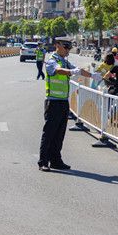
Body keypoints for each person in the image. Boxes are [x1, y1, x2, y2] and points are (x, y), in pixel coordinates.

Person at [38, 36, 92, 172]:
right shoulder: (52, 60)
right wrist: (72, 71)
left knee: (59, 134)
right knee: (49, 133)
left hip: (63, 102)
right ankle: (43, 161)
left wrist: (93, 75)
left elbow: (78, 70)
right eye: (66, 47)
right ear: (57, 45)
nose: (68, 50)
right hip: (53, 101)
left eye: (69, 47)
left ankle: (56, 160)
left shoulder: (65, 61)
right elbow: (58, 70)